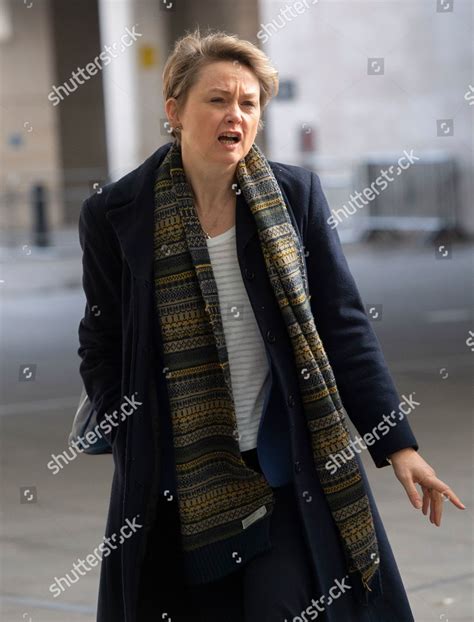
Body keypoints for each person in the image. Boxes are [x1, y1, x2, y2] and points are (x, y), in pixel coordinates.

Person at [77, 27, 465, 622]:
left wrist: (399, 445)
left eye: (249, 103)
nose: (236, 115)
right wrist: (123, 421)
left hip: (284, 470)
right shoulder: (115, 214)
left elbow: (342, 325)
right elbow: (100, 339)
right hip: (176, 479)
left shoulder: (292, 196)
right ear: (175, 110)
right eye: (218, 100)